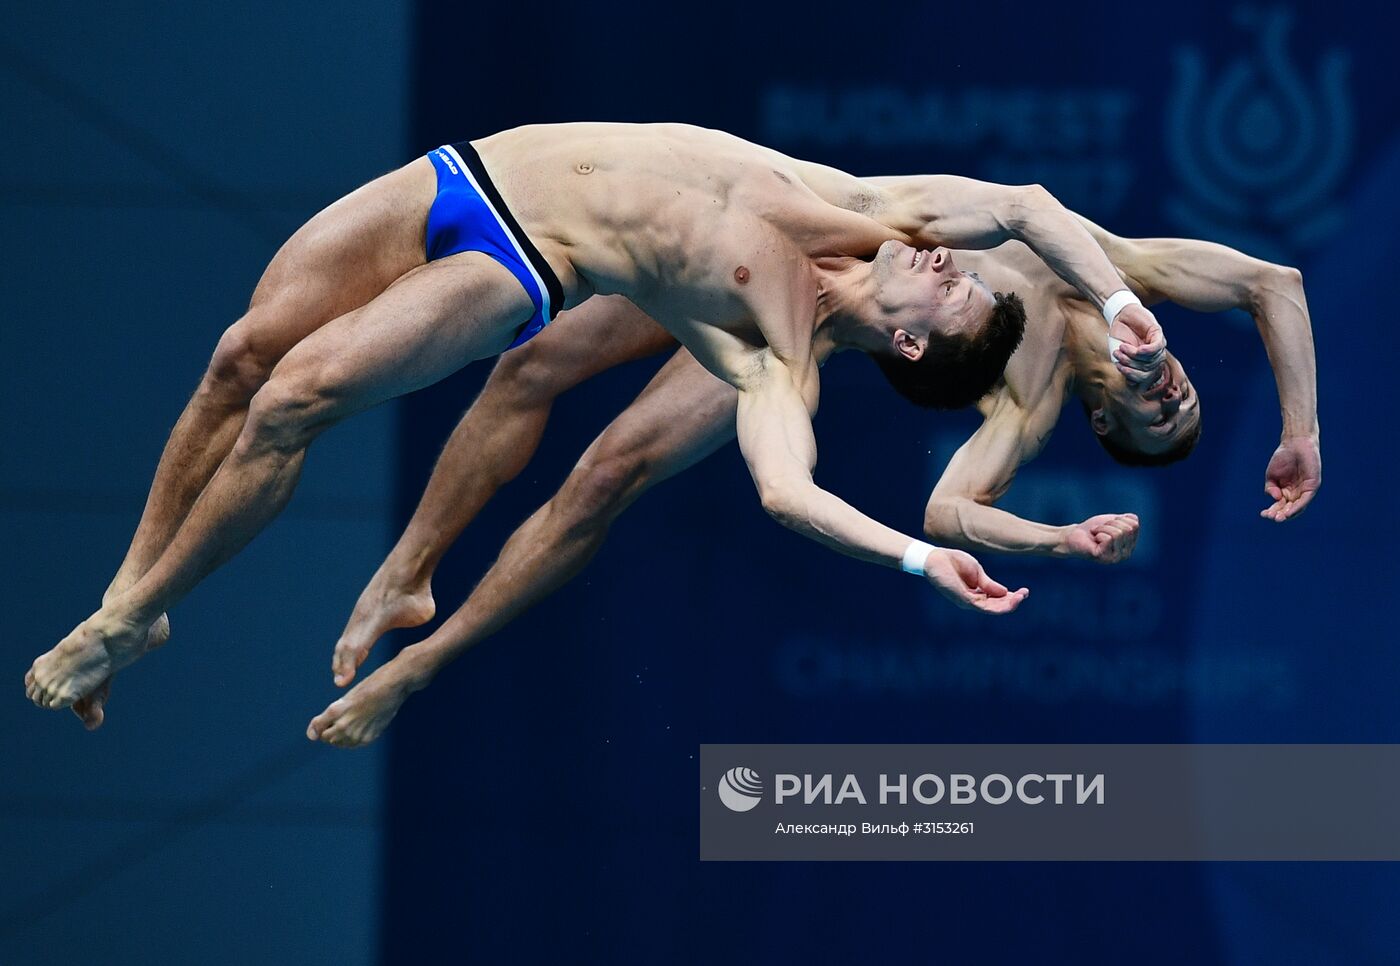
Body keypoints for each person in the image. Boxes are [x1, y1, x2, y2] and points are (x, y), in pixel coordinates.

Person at [26, 122, 1166, 715]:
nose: (945, 259)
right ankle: (132, 596)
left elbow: (786, 492)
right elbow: (1022, 205)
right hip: (469, 168)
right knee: (238, 358)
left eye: (952, 283)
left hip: (518, 260)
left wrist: (924, 561)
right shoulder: (872, 207)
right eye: (962, 266)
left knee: (294, 401)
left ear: (910, 341)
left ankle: (135, 618)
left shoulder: (770, 359)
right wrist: (1120, 306)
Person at [299, 224, 1314, 748]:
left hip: (789, 330)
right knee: (527, 363)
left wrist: (1052, 540)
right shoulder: (1113, 270)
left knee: (607, 471)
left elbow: (947, 510)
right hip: (768, 247)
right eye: (1186, 404)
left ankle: (424, 664)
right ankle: (409, 568)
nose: (1173, 395)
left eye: (1158, 418)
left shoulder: (1033, 400)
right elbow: (1275, 284)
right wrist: (1299, 430)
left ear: (1107, 424)